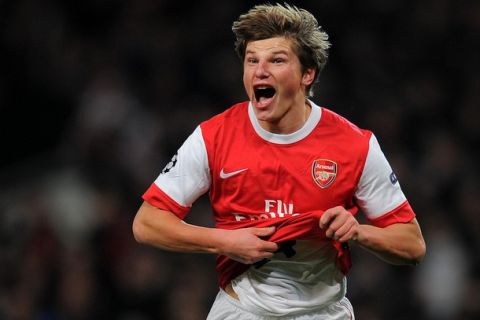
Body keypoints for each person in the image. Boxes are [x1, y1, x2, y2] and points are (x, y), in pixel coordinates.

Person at [132, 3, 426, 319]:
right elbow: (147, 223)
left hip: (323, 312)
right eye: (252, 60)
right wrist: (224, 241)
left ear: (307, 74)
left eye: (277, 60)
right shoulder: (214, 136)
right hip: (241, 310)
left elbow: (412, 245)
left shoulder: (355, 144)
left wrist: (358, 232)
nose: (260, 70)